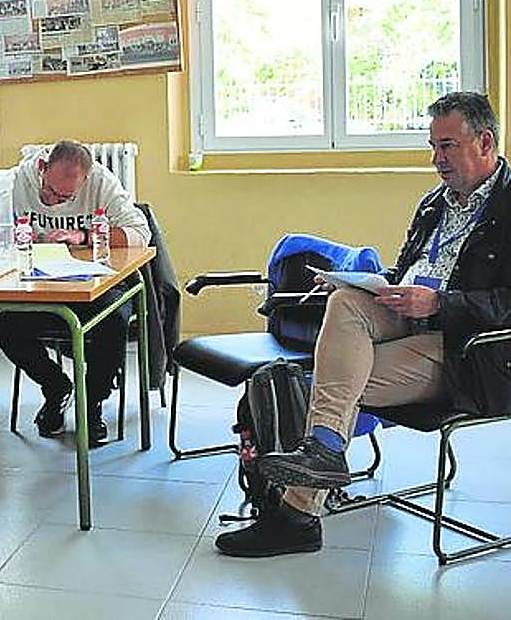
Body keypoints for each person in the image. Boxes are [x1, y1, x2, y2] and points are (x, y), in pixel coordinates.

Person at [216, 91, 511, 558]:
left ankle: (298, 512)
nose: (436, 159)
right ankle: (325, 453)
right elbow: (413, 268)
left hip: (469, 348)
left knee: (322, 385)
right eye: (432, 147)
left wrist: (440, 303)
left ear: (485, 142)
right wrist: (383, 285)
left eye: (447, 146)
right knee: (348, 300)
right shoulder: (435, 204)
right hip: (411, 316)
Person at [0, 141, 150, 446]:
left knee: (113, 321)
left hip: (96, 282)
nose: (54, 201)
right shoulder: (16, 181)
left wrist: (84, 236)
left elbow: (140, 235)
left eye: (66, 197)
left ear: (85, 180)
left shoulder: (102, 182)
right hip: (42, 286)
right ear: (42, 169)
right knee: (6, 326)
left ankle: (91, 404)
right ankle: (55, 387)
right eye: (49, 191)